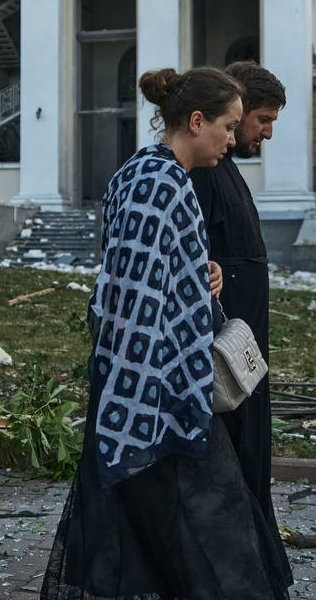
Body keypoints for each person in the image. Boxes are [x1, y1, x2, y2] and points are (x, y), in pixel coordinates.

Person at [41, 66, 293, 600]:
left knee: (161, 530)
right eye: (227, 126)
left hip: (152, 383)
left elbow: (147, 273)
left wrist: (202, 277)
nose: (232, 137)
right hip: (157, 391)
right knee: (210, 529)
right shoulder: (160, 184)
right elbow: (131, 298)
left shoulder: (149, 175)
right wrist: (145, 395)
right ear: (196, 121)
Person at [189, 62, 288, 558]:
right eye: (260, 120)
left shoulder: (225, 168)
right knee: (229, 448)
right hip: (221, 351)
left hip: (243, 349)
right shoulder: (205, 171)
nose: (265, 133)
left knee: (249, 450)